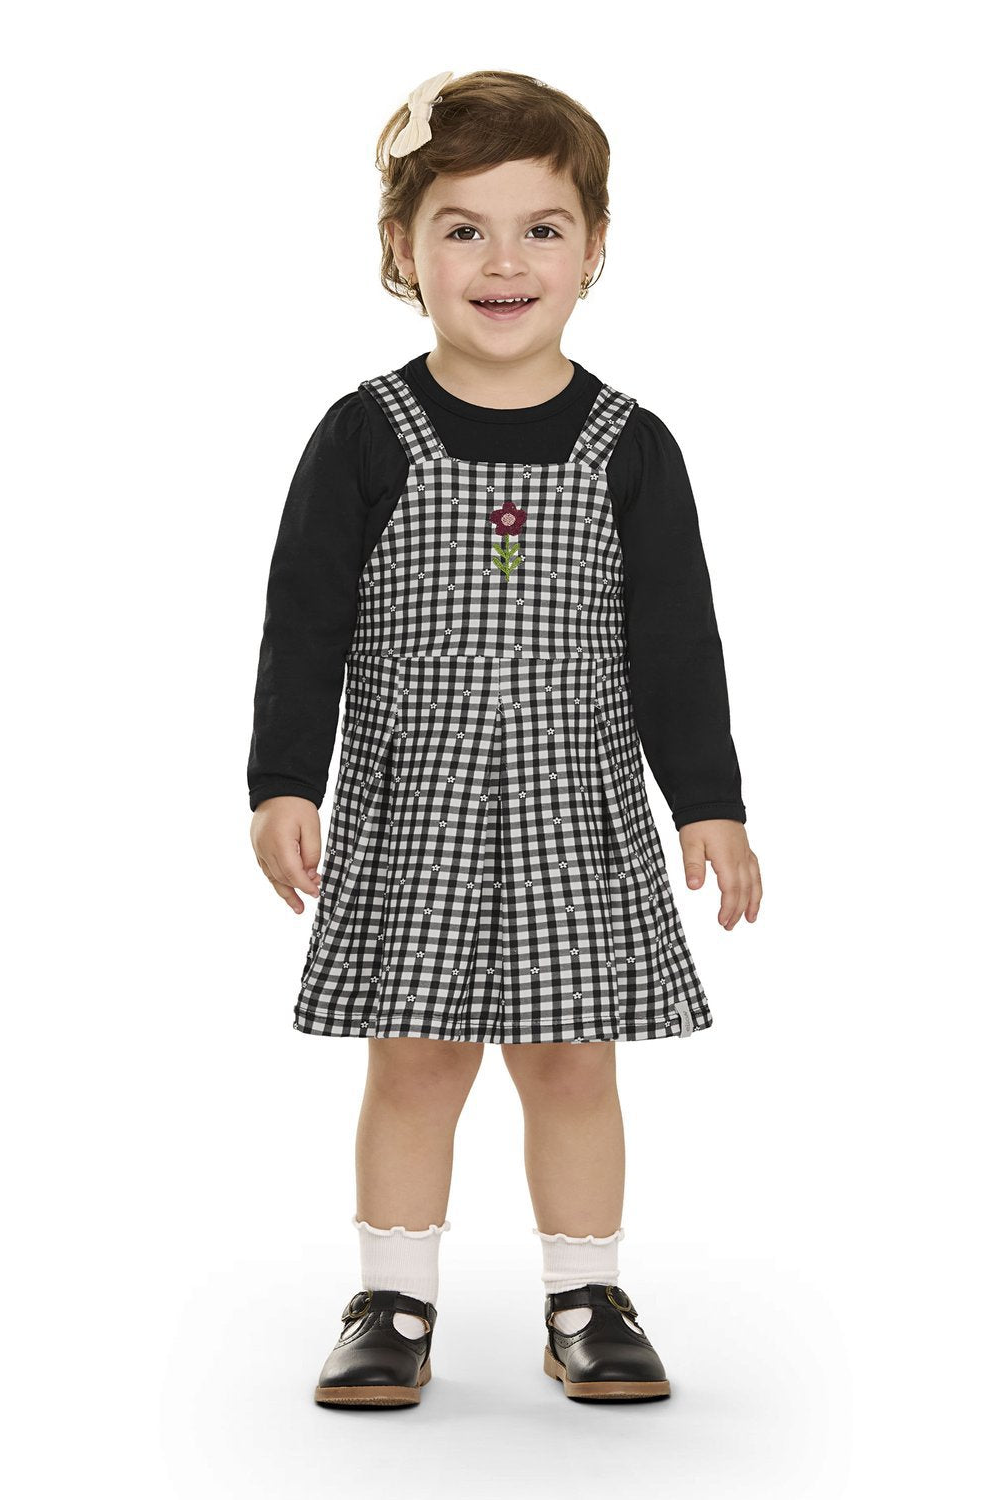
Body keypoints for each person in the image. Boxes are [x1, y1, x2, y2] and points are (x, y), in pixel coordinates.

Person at [247, 69, 763, 1408]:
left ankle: (586, 1299)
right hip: (413, 806)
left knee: (573, 1061)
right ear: (401, 247)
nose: (503, 262)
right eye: (462, 229)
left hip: (572, 809)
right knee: (415, 1061)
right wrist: (283, 780)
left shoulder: (633, 447)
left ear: (594, 247)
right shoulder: (365, 435)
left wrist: (709, 801)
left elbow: (677, 641)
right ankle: (392, 1301)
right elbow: (304, 618)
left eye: (541, 228)